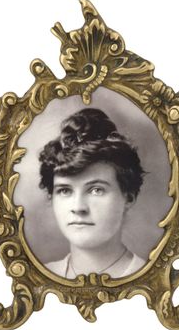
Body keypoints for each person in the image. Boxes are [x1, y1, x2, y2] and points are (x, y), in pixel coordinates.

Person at [39, 108, 146, 278]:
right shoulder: (38, 277)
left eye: (96, 190)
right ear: (52, 197)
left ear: (129, 196)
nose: (78, 207)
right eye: (65, 190)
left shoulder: (152, 278)